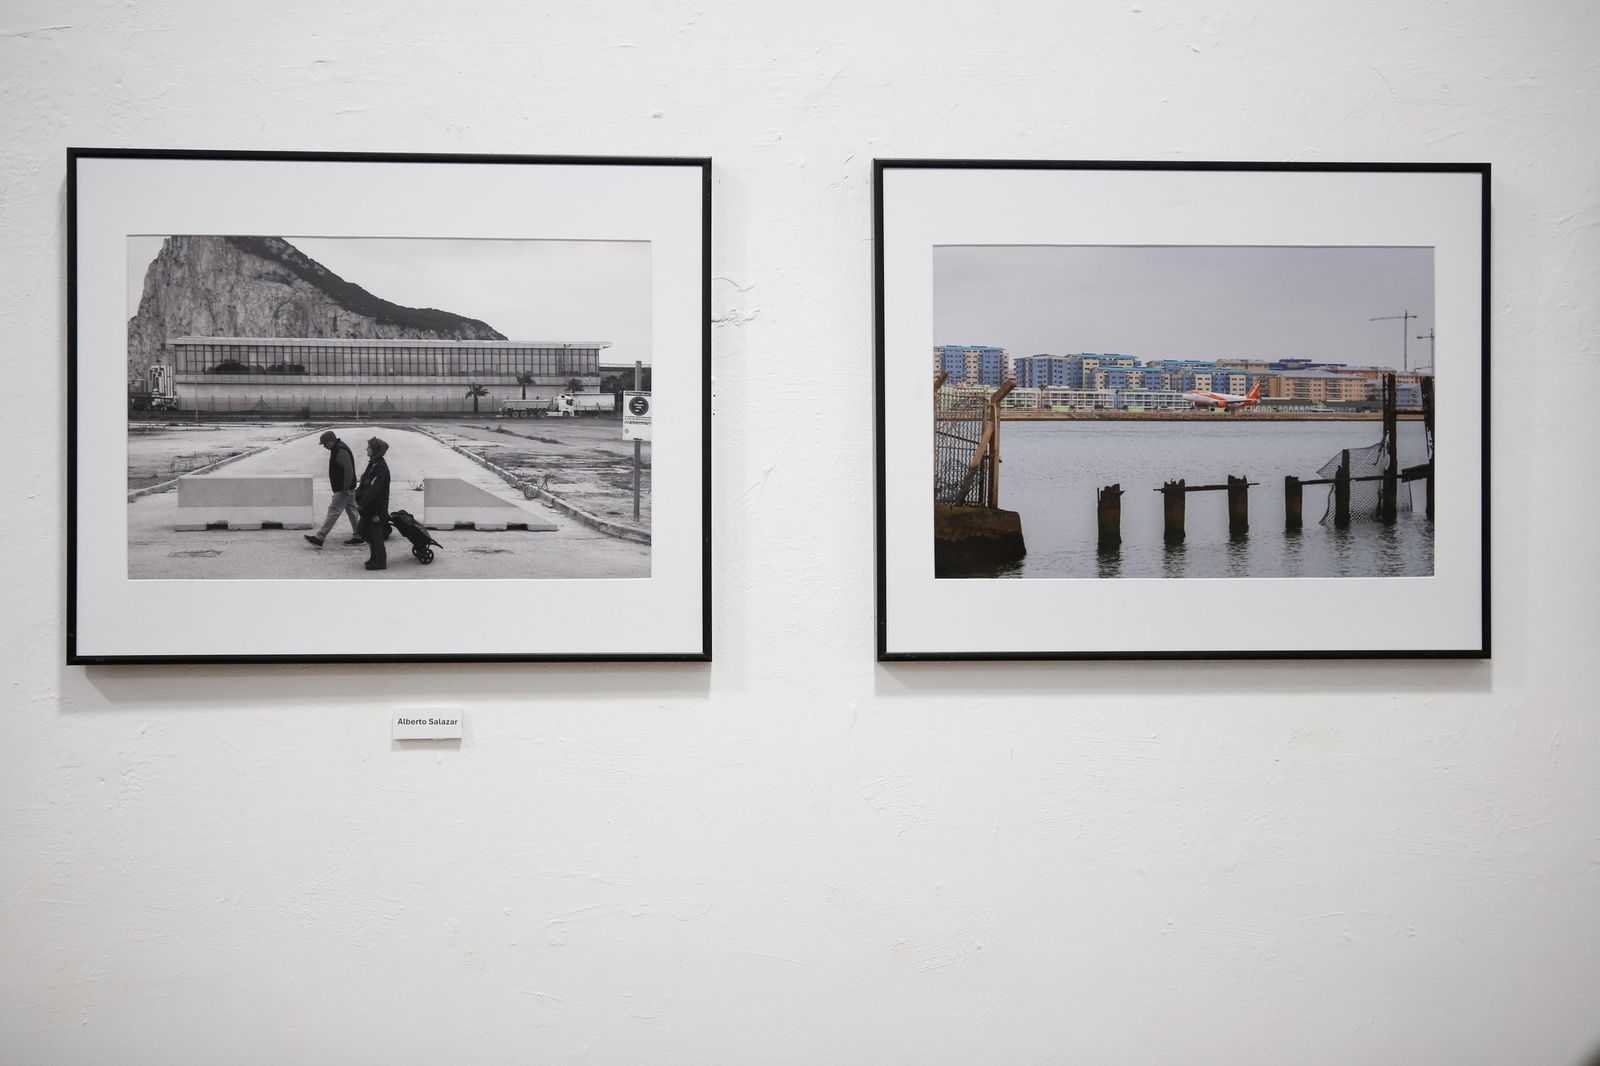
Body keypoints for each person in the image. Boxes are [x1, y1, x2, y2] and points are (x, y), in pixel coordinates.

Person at [303, 431, 362, 548]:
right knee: (352, 511)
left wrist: (345, 488)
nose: (324, 447)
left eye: (324, 444)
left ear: (330, 441)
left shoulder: (340, 450)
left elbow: (349, 471)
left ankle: (320, 537)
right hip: (347, 487)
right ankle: (359, 536)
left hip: (343, 489)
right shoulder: (338, 448)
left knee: (333, 511)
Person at [355, 436, 392, 571]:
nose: (366, 449)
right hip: (369, 507)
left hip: (376, 508)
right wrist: (357, 494)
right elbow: (365, 482)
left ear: (375, 450)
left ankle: (380, 561)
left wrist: (362, 503)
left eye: (369, 447)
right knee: (363, 530)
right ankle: (374, 557)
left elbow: (373, 490)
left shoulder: (380, 467)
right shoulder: (373, 464)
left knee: (375, 535)